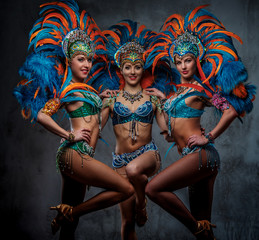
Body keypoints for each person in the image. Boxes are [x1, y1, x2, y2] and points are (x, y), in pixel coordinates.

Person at [13, 1, 134, 239]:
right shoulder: (66, 90)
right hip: (73, 153)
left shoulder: (87, 90)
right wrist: (69, 135)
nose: (87, 64)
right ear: (69, 60)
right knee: (126, 189)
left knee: (70, 229)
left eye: (89, 59)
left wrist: (105, 103)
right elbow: (40, 114)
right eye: (81, 59)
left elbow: (96, 125)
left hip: (83, 155)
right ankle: (67, 212)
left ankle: (68, 214)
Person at [144, 5, 256, 240]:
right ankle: (201, 229)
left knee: (152, 189)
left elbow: (231, 111)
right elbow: (171, 134)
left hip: (203, 156)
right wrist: (163, 101)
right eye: (179, 61)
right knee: (205, 232)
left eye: (188, 60)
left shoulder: (202, 89)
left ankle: (196, 226)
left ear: (197, 61)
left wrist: (209, 136)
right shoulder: (176, 93)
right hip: (193, 158)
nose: (183, 66)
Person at [92, 20, 172, 240]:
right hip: (120, 162)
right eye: (128, 66)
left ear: (143, 67)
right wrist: (98, 102)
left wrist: (164, 103)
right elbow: (96, 127)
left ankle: (141, 203)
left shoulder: (153, 97)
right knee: (127, 224)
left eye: (137, 66)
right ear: (121, 69)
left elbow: (167, 131)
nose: (133, 71)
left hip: (148, 155)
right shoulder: (111, 98)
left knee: (135, 170)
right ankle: (138, 203)